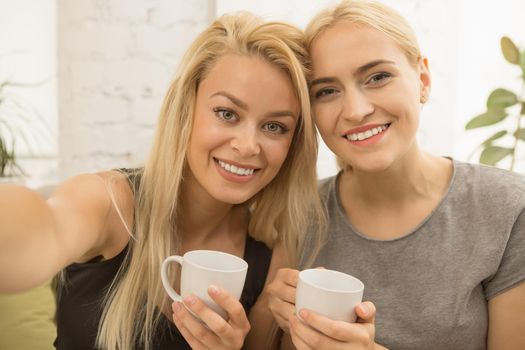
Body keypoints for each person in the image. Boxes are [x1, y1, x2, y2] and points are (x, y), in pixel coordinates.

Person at [0, 12, 325, 350]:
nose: (247, 146)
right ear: (186, 108)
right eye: (227, 114)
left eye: (275, 127)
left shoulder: (273, 253)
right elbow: (47, 226)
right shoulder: (108, 203)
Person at [266, 1, 525, 349]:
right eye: (327, 91)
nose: (357, 111)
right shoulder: (299, 213)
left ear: (423, 80)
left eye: (378, 77)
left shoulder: (507, 209)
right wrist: (276, 318)